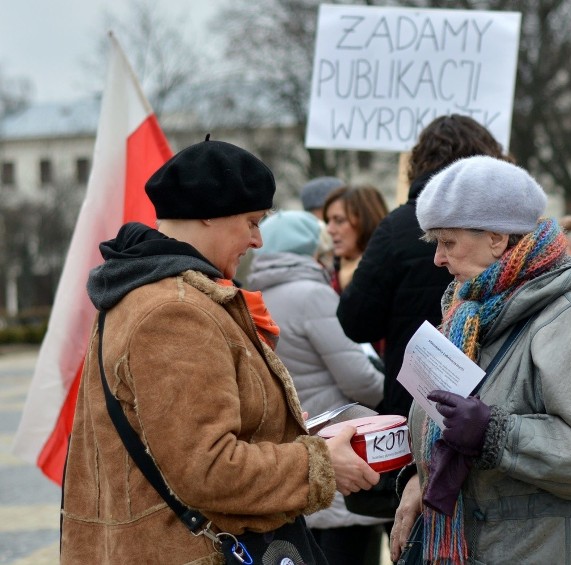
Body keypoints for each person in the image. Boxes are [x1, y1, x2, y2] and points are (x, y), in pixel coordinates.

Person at [60, 138, 379, 564]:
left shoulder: (152, 293)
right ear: (208, 214)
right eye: (251, 222)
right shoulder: (174, 311)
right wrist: (319, 465)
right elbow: (207, 469)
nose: (258, 240)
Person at [390, 155, 571, 564]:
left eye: (448, 242)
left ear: (497, 239)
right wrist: (421, 478)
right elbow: (444, 426)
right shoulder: (468, 312)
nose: (438, 258)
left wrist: (494, 434)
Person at [337, 114, 505, 419]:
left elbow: (357, 321)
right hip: (488, 404)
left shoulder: (395, 228)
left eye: (448, 243)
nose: (440, 258)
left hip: (412, 405)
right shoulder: (504, 227)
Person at [247, 209, 387, 565]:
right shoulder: (313, 295)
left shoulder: (252, 295)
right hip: (336, 447)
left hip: (293, 451)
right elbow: (358, 378)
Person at [322, 184, 388, 293]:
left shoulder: (386, 273)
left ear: (366, 220)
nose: (329, 230)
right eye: (328, 222)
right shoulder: (328, 272)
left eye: (339, 220)